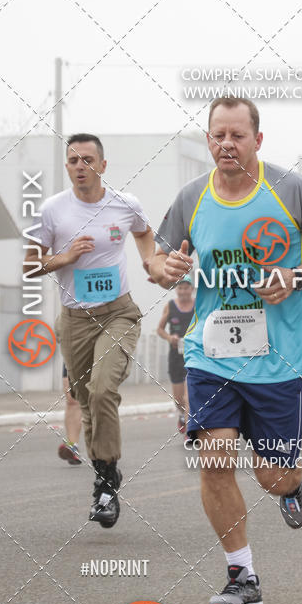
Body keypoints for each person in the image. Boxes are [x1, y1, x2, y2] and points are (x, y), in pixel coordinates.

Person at [149, 96, 302, 604]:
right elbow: (158, 258)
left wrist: (296, 274)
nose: (226, 144)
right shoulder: (192, 196)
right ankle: (243, 576)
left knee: (272, 475)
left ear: (257, 140)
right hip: (210, 353)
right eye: (217, 135)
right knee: (215, 458)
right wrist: (164, 269)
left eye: (237, 135)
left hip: (277, 358)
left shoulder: (289, 190)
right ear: (209, 140)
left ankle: (292, 487)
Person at [24, 133, 155, 527]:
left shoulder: (125, 204)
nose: (79, 167)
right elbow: (30, 264)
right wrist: (63, 257)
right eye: (72, 160)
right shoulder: (52, 210)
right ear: (67, 167)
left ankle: (105, 482)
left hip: (118, 313)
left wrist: (151, 263)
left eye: (86, 159)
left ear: (102, 165)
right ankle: (106, 473)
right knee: (86, 401)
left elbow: (145, 233)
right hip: (75, 321)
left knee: (102, 389)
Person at [157, 275, 195, 432]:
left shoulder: (198, 305)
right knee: (179, 399)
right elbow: (160, 329)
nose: (183, 291)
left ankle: (191, 429)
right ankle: (182, 416)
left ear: (192, 289)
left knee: (189, 396)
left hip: (194, 355)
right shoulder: (170, 306)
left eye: (186, 288)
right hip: (176, 356)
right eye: (180, 288)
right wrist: (169, 337)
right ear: (176, 289)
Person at [57, 363, 83, 465]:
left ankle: (105, 449)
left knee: (100, 399)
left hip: (102, 351)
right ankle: (72, 447)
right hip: (74, 348)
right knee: (72, 399)